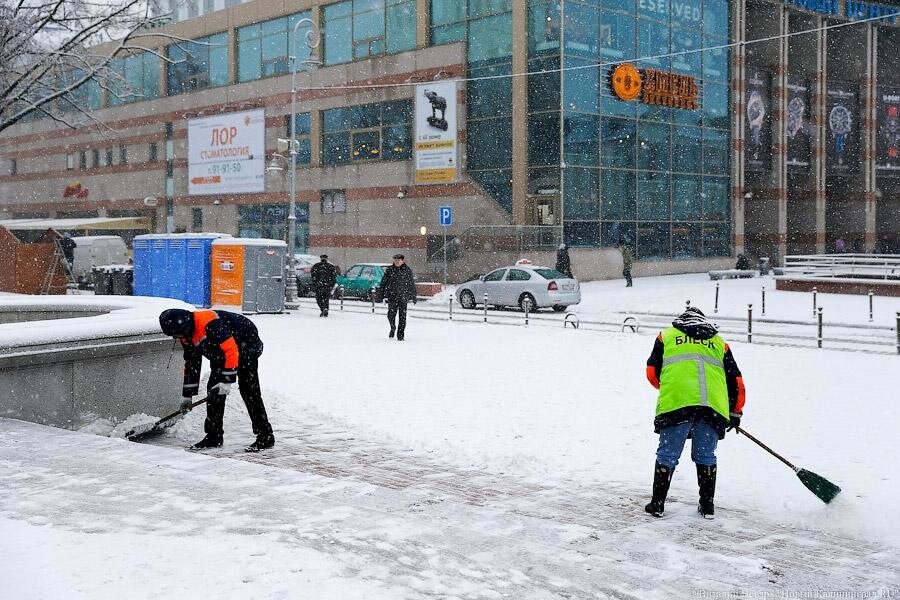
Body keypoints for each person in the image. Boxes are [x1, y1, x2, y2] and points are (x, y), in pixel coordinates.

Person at [644, 306, 746, 519]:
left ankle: (658, 504)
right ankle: (707, 506)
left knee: (667, 454)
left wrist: (672, 386)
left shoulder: (667, 336)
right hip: (711, 409)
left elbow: (652, 373)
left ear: (681, 320)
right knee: (705, 455)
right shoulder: (719, 343)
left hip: (676, 405)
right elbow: (736, 381)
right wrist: (735, 411)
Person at [159, 308, 275, 452]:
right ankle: (214, 436)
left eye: (176, 334)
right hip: (218, 352)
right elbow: (192, 363)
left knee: (249, 390)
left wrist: (227, 381)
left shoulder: (211, 324)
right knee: (213, 391)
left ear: (184, 326)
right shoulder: (185, 333)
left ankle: (266, 435)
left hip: (245, 344)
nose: (176, 338)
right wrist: (187, 395)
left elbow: (231, 350)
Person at [378, 253, 417, 341]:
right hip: (392, 296)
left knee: (402, 317)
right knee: (390, 315)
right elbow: (383, 282)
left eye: (399, 260)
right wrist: (381, 294)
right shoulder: (389, 270)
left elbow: (411, 284)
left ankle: (400, 336)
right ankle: (393, 327)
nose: (397, 262)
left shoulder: (407, 270)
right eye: (395, 260)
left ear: (403, 261)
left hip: (403, 297)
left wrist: (414, 296)